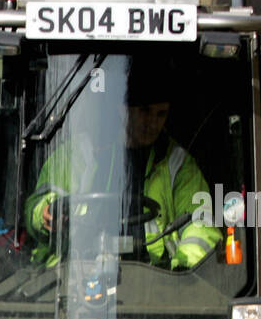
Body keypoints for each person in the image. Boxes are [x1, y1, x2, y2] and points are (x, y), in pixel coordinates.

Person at [23, 65, 221, 269]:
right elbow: (38, 204)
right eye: (145, 111)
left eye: (160, 114)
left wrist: (182, 273)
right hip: (73, 275)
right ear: (122, 109)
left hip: (153, 282)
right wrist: (46, 213)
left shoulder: (177, 163)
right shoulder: (78, 153)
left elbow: (200, 223)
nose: (153, 123)